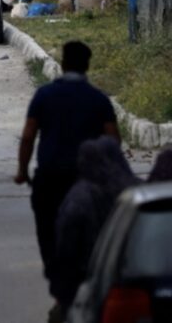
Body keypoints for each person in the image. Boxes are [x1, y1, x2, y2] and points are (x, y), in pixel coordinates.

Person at [14, 41, 120, 321]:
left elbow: (28, 135)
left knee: (49, 237)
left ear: (62, 63)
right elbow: (113, 140)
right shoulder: (98, 100)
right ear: (87, 65)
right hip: (87, 183)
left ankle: (62, 295)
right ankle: (81, 292)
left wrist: (22, 171)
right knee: (90, 238)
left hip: (49, 182)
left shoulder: (45, 95)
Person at [51, 136, 139, 318]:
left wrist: (62, 291)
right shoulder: (136, 194)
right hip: (133, 281)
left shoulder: (78, 199)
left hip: (88, 285)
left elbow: (66, 250)